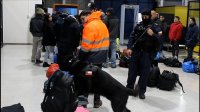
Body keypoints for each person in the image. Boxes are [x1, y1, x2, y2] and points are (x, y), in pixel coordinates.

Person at [124, 10, 160, 99]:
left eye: (146, 16)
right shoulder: (138, 25)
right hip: (136, 52)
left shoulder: (155, 27)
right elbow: (132, 37)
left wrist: (153, 35)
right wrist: (129, 48)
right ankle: (129, 88)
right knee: (132, 71)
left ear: (149, 16)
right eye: (143, 16)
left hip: (147, 53)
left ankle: (141, 91)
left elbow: (159, 41)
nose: (144, 18)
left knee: (145, 73)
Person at [79, 3, 109, 108]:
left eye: (83, 19)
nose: (82, 21)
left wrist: (80, 57)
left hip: (90, 59)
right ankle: (97, 101)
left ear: (88, 15)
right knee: (97, 80)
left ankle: (83, 103)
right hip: (100, 59)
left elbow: (86, 47)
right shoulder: (102, 24)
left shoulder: (90, 26)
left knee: (87, 80)